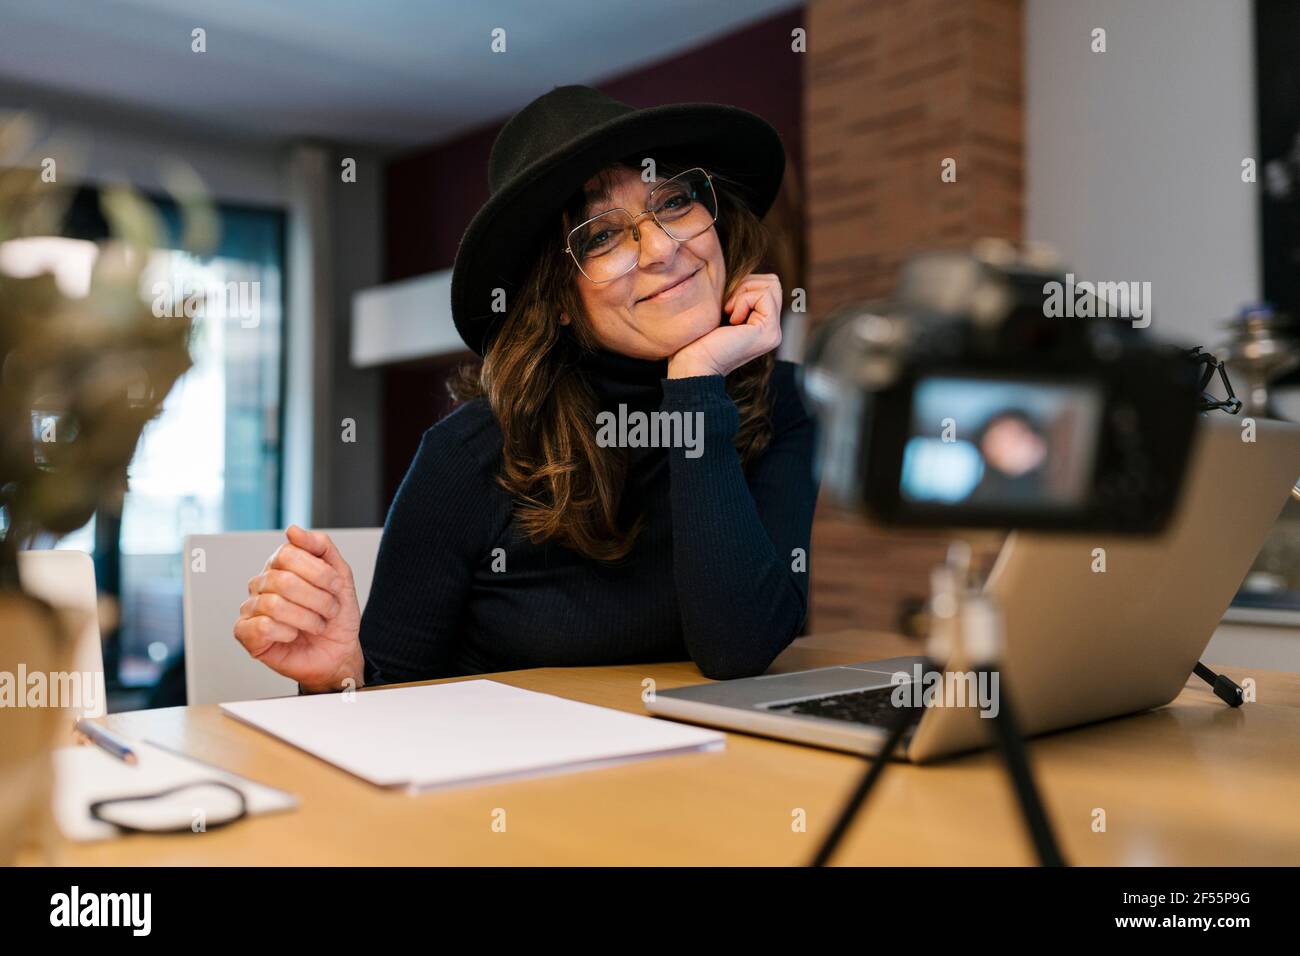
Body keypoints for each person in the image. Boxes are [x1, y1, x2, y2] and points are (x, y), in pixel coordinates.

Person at [232, 85, 818, 692]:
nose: (663, 248)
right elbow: (385, 695)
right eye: (601, 236)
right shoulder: (469, 454)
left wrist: (697, 384)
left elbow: (739, 649)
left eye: (672, 203)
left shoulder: (783, 404)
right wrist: (340, 678)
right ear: (557, 299)